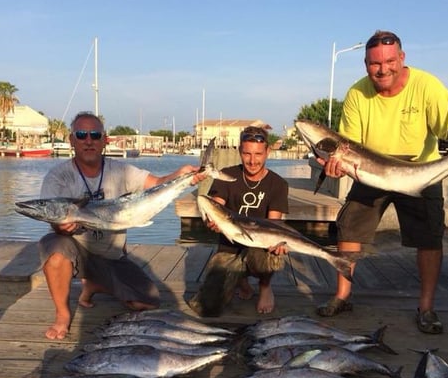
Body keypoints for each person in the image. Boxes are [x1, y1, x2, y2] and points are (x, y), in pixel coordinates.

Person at [316, 30, 448, 334]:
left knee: (429, 238)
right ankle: (342, 296)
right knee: (349, 228)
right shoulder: (356, 94)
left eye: (390, 61)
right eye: (375, 63)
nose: (383, 69)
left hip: (420, 171)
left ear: (401, 58)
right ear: (366, 64)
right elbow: (347, 146)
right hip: (372, 169)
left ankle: (426, 307)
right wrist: (335, 167)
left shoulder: (426, 85)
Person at [38, 111, 205, 340]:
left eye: (95, 135)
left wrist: (180, 175)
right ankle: (62, 315)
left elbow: (155, 184)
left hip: (111, 255)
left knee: (148, 301)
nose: (89, 140)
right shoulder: (58, 177)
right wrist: (59, 227)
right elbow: (51, 215)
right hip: (75, 250)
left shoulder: (121, 170)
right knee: (55, 250)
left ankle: (94, 284)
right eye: (82, 134)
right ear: (72, 140)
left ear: (104, 140)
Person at [187, 126, 289, 316]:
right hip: (229, 249)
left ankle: (265, 287)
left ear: (268, 151)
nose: (252, 160)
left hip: (258, 248)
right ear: (239, 151)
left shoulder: (278, 184)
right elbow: (215, 205)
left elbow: (274, 225)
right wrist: (212, 221)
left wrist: (278, 245)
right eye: (247, 153)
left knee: (268, 257)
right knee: (207, 307)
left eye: (258, 154)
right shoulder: (227, 175)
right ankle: (240, 280)